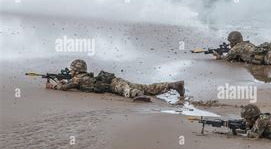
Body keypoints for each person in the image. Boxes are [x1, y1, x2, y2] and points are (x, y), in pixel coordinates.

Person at [46, 59, 185, 101]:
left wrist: (53, 86)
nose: (71, 72)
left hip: (113, 84)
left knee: (127, 90)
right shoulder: (84, 77)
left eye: (72, 70)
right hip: (114, 79)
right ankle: (173, 84)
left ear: (75, 70)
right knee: (147, 87)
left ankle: (138, 96)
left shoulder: (78, 79)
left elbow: (64, 87)